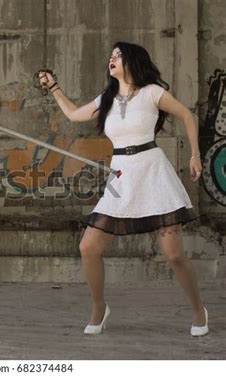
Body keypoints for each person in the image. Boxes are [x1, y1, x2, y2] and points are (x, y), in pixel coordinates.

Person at [39, 41, 208, 336]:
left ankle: (198, 311)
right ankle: (99, 308)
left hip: (154, 174)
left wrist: (195, 155)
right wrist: (54, 87)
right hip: (121, 177)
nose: (111, 59)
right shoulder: (106, 98)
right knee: (88, 247)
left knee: (174, 255)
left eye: (118, 55)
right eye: (111, 56)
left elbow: (186, 115)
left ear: (132, 61)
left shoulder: (152, 92)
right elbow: (73, 115)